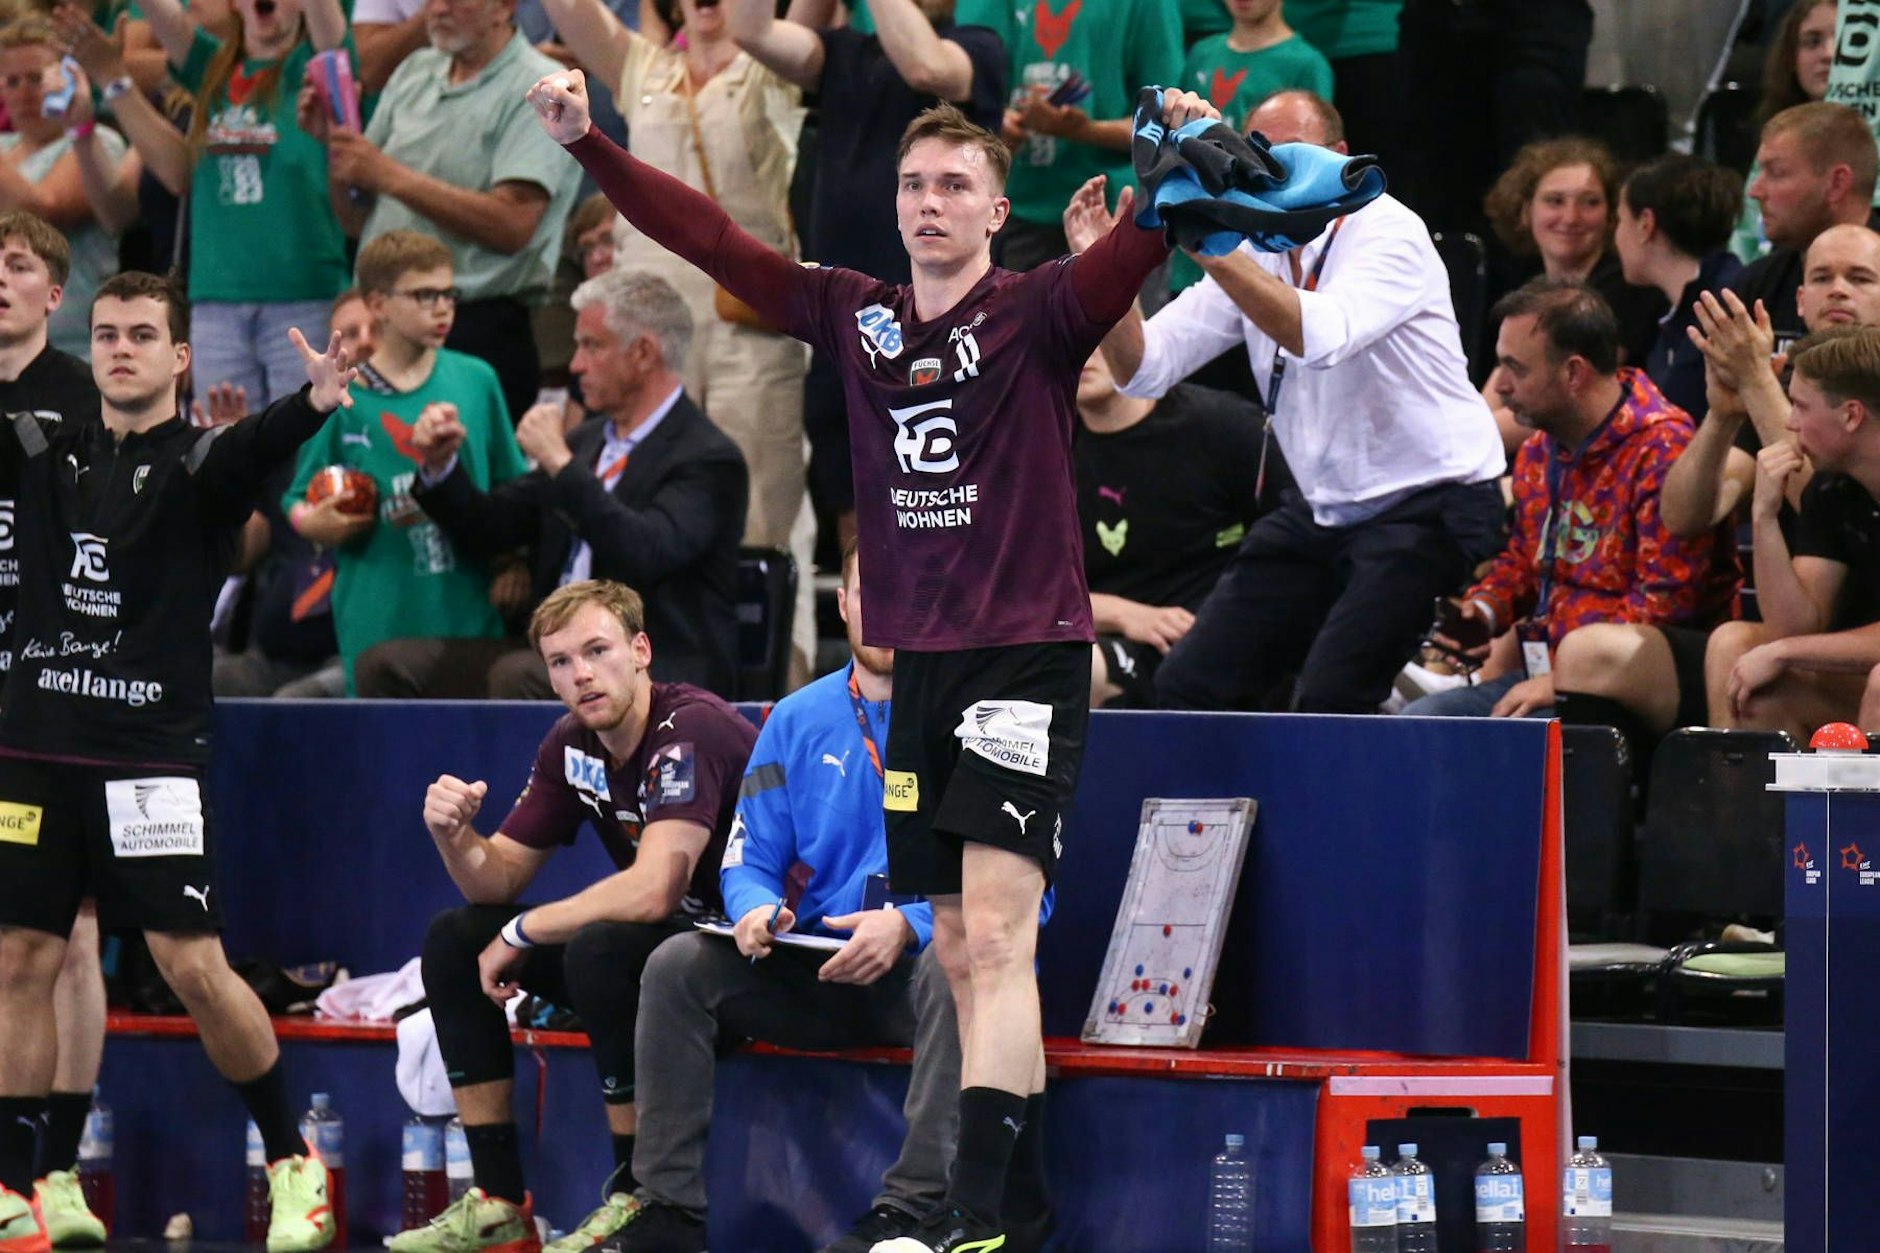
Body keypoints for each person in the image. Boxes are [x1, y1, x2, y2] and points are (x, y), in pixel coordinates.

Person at [525, 65, 1189, 1248]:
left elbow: (1135, 257)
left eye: (954, 185)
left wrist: (1169, 173)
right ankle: (1018, 1219)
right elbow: (715, 241)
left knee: (990, 940)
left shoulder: (1035, 309)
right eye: (912, 184)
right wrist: (590, 147)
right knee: (980, 961)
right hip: (920, 666)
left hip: (1021, 654)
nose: (928, 201)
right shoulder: (856, 312)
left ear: (996, 209)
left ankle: (967, 1217)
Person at [0, 269, 360, 1253]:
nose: (119, 347)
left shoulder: (201, 461)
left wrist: (315, 401)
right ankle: (10, 1185)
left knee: (193, 965)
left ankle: (294, 1162)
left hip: (150, 759)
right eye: (107, 332)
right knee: (21, 956)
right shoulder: (44, 446)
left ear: (178, 356)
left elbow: (253, 445)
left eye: (141, 334)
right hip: (34, 749)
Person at [1071, 89, 1505, 715]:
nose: (1268, 170)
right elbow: (1143, 369)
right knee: (1188, 685)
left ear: (1340, 158)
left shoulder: (1389, 229)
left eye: (1289, 154)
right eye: (1256, 153)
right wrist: (1101, 267)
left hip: (1433, 502)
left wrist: (1204, 236)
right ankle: (1220, 817)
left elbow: (1319, 336)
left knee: (1330, 697)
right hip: (1326, 511)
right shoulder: (1254, 247)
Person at [391, 579, 756, 1253]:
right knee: (453, 939)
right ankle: (499, 1200)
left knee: (602, 946)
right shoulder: (570, 744)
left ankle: (632, 1194)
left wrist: (522, 930)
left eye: (597, 650)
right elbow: (494, 877)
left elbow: (653, 889)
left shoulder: (690, 729)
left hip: (751, 961)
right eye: (560, 662)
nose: (581, 674)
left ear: (641, 649)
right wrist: (454, 835)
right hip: (671, 953)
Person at [619, 545, 965, 1253]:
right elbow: (749, 857)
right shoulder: (797, 718)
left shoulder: (969, 716)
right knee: (678, 965)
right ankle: (668, 1209)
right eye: (871, 590)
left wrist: (909, 922)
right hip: (818, 969)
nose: (888, 607)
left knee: (960, 964)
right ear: (843, 603)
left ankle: (914, 1206)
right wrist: (752, 907)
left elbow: (1027, 898)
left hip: (917, 979)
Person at [365, 268, 748, 698]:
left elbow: (643, 554)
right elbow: (489, 527)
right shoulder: (586, 441)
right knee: (387, 666)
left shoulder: (707, 457)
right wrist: (440, 466)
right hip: (553, 653)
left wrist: (562, 465)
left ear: (642, 353)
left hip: (651, 662)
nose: (575, 364)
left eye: (591, 345)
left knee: (520, 676)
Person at [1400, 280, 1738, 743]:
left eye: (1514, 368)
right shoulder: (1541, 448)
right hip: (1545, 676)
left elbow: (1666, 603)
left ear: (1574, 373)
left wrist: (1560, 678)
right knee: (1416, 727)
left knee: (1505, 745)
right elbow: (1524, 559)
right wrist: (1484, 608)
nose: (1500, 385)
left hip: (1621, 688)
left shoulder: (1661, 447)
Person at [727, 0, 1006, 553]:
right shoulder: (844, 52)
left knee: (943, 516)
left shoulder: (979, 45)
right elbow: (750, 31)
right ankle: (871, 641)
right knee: (857, 525)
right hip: (849, 326)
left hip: (942, 329)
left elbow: (926, 69)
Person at [310, 0, 582, 422]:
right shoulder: (414, 71)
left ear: (504, 7)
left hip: (475, 325)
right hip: (382, 325)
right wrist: (335, 147)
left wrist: (389, 175)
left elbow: (513, 224)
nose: (435, 9)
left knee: (464, 484)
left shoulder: (541, 86)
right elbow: (356, 218)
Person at [0, 211, 109, 1250]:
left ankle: (57, 1169)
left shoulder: (84, 398)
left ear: (53, 293)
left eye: (16, 266)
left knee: (66, 933)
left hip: (51, 692)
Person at [284, 230, 528, 692]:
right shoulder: (342, 394)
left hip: (467, 605)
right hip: (377, 607)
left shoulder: (477, 379)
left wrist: (513, 561)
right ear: (378, 304)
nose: (443, 307)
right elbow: (296, 497)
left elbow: (512, 487)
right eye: (424, 295)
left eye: (449, 293)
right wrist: (314, 522)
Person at [132, 0, 350, 406]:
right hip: (217, 299)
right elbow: (160, 13)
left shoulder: (314, 64)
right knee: (226, 448)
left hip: (304, 293)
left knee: (302, 444)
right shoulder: (211, 68)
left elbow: (332, 41)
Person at [1705, 327, 1880, 737]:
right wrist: (1764, 515)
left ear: (1851, 415)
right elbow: (1795, 625)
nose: (1790, 422)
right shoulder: (1834, 488)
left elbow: (1788, 643)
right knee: (1756, 681)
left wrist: (1784, 652)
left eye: (1801, 406)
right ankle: (1746, 802)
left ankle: (1861, 804)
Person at [1661, 223, 1880, 539]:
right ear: (1801, 301)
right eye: (1821, 277)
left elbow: (1834, 518)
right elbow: (1683, 519)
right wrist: (1722, 416)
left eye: (1859, 278)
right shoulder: (1781, 387)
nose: (1838, 289)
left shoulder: (1764, 385)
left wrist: (1754, 381)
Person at [1074, 350, 1267, 708]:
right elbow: (1005, 593)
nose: (1085, 351)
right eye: (1067, 335)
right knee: (1049, 670)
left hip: (1216, 646)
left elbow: (1304, 535)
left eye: (1102, 331)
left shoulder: (1220, 425)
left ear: (1136, 333)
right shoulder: (1033, 449)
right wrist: (1121, 613)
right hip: (1097, 642)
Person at [1480, 137, 1668, 449]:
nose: (1571, 218)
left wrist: (1453, 447)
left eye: (1590, 202)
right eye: (1555, 201)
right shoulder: (1536, 292)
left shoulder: (1625, 287)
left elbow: (1559, 400)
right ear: (1525, 210)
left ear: (1612, 215)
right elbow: (1500, 387)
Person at [993, 0, 1182, 272]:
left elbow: (1169, 124)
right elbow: (980, 92)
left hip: (1108, 215)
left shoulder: (1148, 6)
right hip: (1019, 206)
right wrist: (1001, 121)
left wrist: (1085, 131)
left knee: (1113, 313)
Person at [1168, 0, 1332, 295]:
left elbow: (1313, 164)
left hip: (1263, 262)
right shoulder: (1203, 53)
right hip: (1193, 256)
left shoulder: (1306, 64)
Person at [0, 18, 128, 360]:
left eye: (36, 79)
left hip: (73, 345)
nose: (24, 93)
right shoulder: (4, 146)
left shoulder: (98, 143)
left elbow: (46, 210)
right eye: (12, 81)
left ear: (67, 77)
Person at [1728, 101, 1879, 358]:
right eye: (1821, 278)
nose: (1755, 191)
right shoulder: (1755, 287)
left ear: (1837, 183)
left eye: (1776, 173)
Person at [1734, 0, 1836, 262]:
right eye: (1812, 42)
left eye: (1847, 41)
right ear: (1791, 58)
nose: (1828, 53)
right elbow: (1744, 246)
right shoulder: (1774, 139)